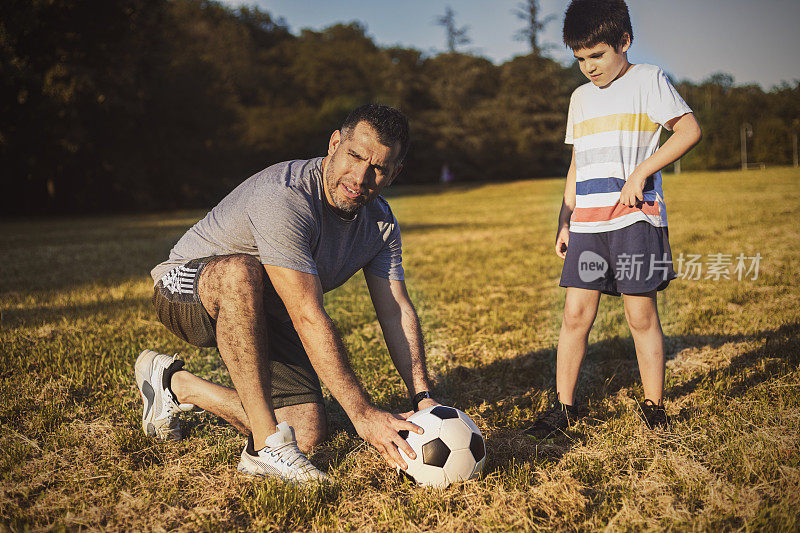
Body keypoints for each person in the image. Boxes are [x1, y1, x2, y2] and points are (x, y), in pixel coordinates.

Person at [135, 104, 440, 483]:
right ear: (334, 144)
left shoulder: (380, 224)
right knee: (240, 271)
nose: (360, 176)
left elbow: (396, 310)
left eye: (378, 167)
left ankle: (177, 386)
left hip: (266, 307)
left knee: (307, 431)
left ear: (395, 172)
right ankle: (265, 447)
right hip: (186, 289)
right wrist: (361, 414)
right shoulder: (285, 197)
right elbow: (307, 316)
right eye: (355, 155)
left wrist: (423, 396)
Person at [524, 0, 702, 440]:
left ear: (624, 41)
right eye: (580, 59)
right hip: (588, 225)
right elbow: (577, 164)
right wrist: (565, 219)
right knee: (574, 315)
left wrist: (642, 171)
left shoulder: (649, 80)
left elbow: (689, 130)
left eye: (597, 55)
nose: (589, 67)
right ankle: (565, 407)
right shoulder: (579, 98)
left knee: (640, 316)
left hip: (634, 222)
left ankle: (654, 406)